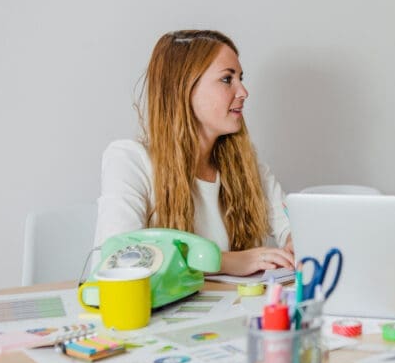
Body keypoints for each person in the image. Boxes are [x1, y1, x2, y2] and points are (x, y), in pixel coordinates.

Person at [94, 29, 294, 276]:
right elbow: (117, 261)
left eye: (240, 78)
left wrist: (297, 242)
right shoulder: (130, 160)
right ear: (184, 88)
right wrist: (228, 262)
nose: (243, 92)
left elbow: (291, 224)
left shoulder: (245, 162)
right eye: (227, 79)